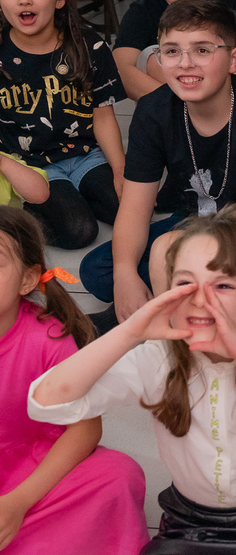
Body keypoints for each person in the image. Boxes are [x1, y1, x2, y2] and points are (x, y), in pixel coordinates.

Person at [30, 204, 236, 555]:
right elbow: (47, 403)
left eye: (223, 285)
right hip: (191, 528)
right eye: (185, 283)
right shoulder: (158, 357)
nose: (201, 299)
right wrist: (129, 332)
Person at [80, 0, 236, 329]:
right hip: (191, 221)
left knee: (173, 255)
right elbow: (135, 206)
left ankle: (161, 311)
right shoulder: (153, 110)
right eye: (172, 51)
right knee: (100, 269)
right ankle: (184, 303)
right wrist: (125, 274)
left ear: (234, 58)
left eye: (202, 50)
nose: (185, 64)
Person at [0, 208, 148, 555]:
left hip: (34, 471)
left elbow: (85, 430)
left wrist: (18, 503)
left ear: (27, 280)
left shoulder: (48, 338)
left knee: (118, 475)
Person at [0, 0, 125, 250]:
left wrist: (121, 170)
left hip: (86, 154)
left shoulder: (89, 45)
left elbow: (102, 116)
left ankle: (73, 196)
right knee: (79, 231)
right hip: (30, 165)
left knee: (129, 206)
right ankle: (31, 211)